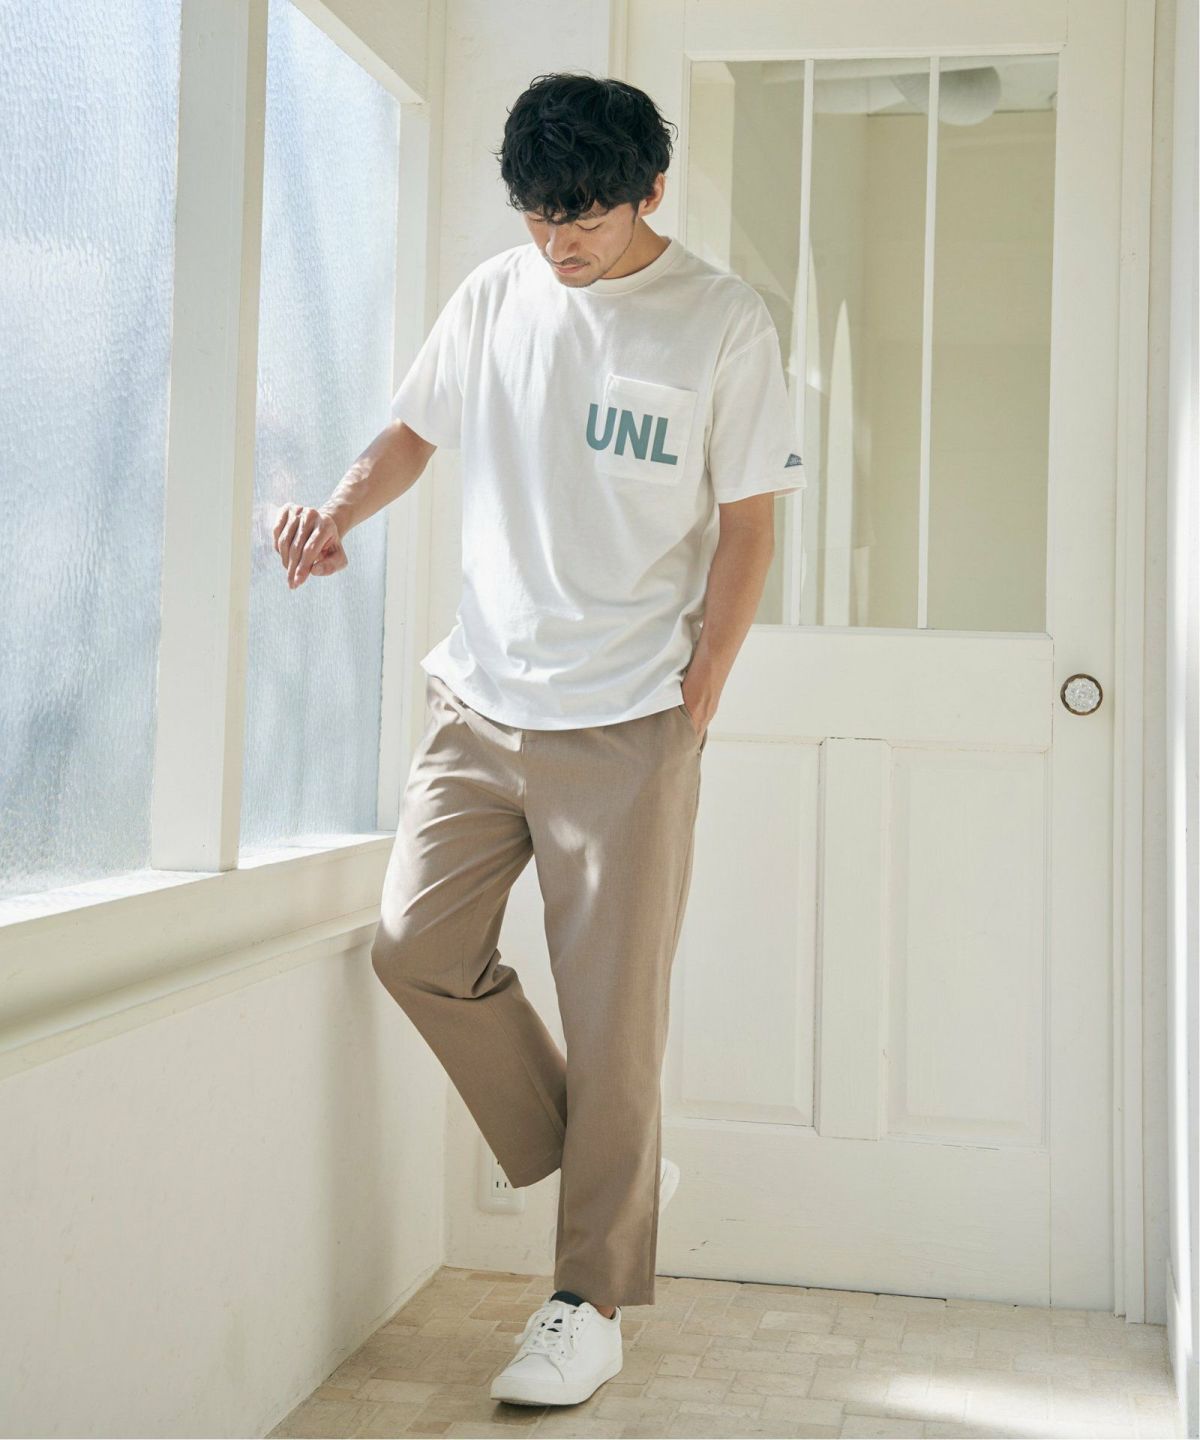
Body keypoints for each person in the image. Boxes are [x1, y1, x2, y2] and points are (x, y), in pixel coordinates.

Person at [273, 71, 805, 1410]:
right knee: (416, 949)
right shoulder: (495, 295)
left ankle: (588, 1302)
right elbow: (415, 430)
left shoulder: (721, 321)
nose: (558, 244)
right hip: (478, 703)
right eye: (538, 216)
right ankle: (613, 1173)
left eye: (585, 218)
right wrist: (338, 512)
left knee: (616, 1023)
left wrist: (704, 687)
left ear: (650, 192)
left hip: (628, 720)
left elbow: (750, 522)